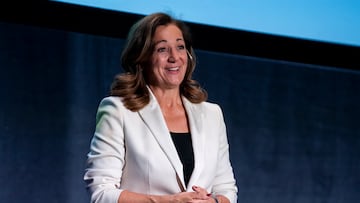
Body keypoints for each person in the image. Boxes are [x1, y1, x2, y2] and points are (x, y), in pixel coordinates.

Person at [84, 12, 238, 203]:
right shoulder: (118, 110)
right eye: (162, 49)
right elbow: (101, 194)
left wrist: (214, 202)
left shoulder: (212, 114)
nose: (174, 57)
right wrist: (168, 201)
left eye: (180, 47)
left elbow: (227, 189)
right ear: (142, 58)